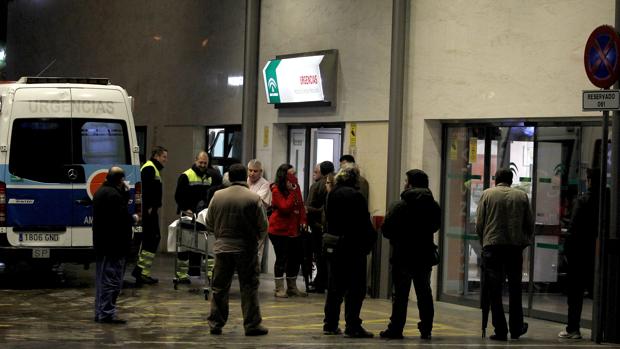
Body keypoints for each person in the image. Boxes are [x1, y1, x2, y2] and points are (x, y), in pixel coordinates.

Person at [205, 163, 269, 336]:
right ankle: (252, 325)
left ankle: (216, 324)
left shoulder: (217, 196)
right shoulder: (253, 198)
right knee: (249, 287)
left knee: (219, 288)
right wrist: (255, 239)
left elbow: (209, 222)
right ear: (245, 177)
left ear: (230, 178)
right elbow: (263, 226)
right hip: (246, 249)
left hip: (222, 248)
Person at [379, 169, 441, 340]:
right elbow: (436, 226)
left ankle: (396, 328)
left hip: (402, 255)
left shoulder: (399, 205)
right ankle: (426, 328)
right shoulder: (433, 205)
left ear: (411, 183)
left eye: (406, 180)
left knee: (400, 295)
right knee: (424, 293)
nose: (404, 184)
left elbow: (386, 229)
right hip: (424, 255)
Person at [475, 168, 533, 341]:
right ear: (511, 179)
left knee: (494, 290)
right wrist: (523, 241)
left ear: (495, 179)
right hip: (514, 248)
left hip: (492, 247)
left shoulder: (487, 194)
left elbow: (479, 223)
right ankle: (516, 328)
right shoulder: (521, 196)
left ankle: (500, 330)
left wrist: (484, 241)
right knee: (515, 289)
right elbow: (529, 224)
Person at [323, 164, 377, 338]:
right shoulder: (357, 196)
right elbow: (363, 223)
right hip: (353, 247)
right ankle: (353, 325)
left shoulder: (332, 194)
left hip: (334, 246)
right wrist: (371, 240)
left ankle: (330, 324)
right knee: (355, 289)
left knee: (335, 288)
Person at [559, 168, 601, 339]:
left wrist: (566, 252)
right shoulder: (608, 201)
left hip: (580, 254)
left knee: (575, 294)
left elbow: (573, 229)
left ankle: (573, 329)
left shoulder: (583, 201)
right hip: (598, 254)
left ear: (590, 181)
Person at [93, 167, 135, 324]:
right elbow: (123, 218)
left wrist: (123, 193)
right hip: (114, 246)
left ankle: (100, 312)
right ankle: (107, 313)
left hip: (102, 244)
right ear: (120, 180)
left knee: (102, 280)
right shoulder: (113, 196)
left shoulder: (100, 192)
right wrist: (134, 219)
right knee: (112, 281)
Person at [173, 151, 222, 284]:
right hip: (188, 215)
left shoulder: (209, 177)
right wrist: (186, 209)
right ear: (195, 161)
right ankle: (182, 274)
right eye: (200, 162)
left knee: (206, 245)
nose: (203, 165)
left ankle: (209, 274)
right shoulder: (186, 175)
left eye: (205, 163)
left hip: (202, 216)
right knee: (185, 246)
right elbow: (178, 196)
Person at [268, 164, 308, 298]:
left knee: (295, 258)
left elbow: (301, 206)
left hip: (294, 230)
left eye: (295, 174)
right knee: (282, 258)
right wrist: (291, 192)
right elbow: (285, 208)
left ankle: (292, 287)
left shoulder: (296, 188)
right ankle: (279, 289)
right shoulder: (276, 189)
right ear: (284, 176)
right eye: (291, 174)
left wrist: (303, 221)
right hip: (279, 230)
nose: (294, 177)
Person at [133, 146, 168, 285]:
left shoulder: (154, 168)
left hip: (152, 210)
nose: (166, 160)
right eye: (164, 156)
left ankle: (143, 272)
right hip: (149, 211)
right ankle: (140, 271)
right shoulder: (149, 168)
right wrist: (147, 208)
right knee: (151, 238)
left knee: (153, 238)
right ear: (156, 156)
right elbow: (145, 191)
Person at [305, 161, 334, 293]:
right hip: (331, 228)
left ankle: (320, 283)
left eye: (316, 172)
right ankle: (328, 282)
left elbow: (309, 206)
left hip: (317, 226)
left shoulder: (316, 186)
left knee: (319, 256)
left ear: (322, 173)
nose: (313, 175)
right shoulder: (337, 184)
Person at [247, 159, 272, 266]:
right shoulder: (244, 181)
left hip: (257, 222)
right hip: (244, 220)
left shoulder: (265, 184)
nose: (252, 173)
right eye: (250, 170)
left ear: (261, 172)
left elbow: (258, 202)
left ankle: (254, 273)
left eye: (255, 171)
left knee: (256, 250)